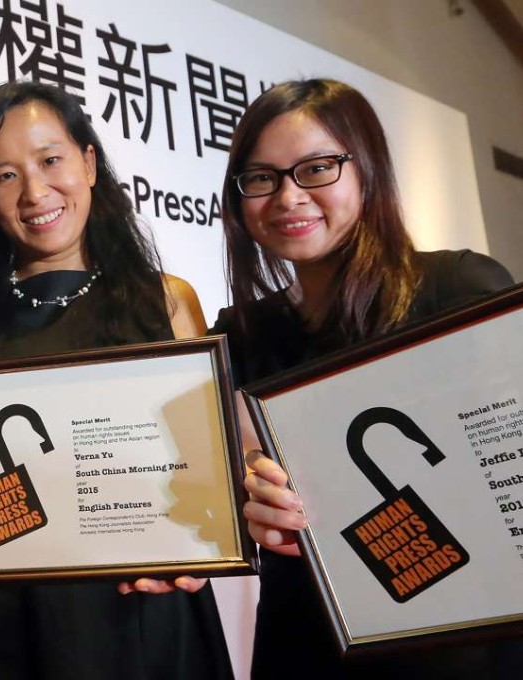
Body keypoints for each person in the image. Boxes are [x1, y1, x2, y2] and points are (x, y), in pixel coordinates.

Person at [0, 81, 233, 679]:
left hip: (140, 614)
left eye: (51, 160)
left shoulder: (165, 302)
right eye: (4, 175)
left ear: (87, 162)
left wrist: (205, 542)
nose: (34, 192)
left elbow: (210, 478)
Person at [212, 77, 521, 678]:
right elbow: (237, 484)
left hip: (463, 637)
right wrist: (255, 501)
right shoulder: (241, 336)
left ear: (367, 169)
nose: (288, 197)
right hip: (310, 635)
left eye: (316, 169)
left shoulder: (458, 290)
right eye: (261, 178)